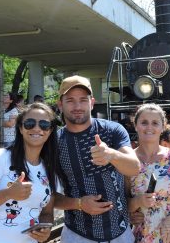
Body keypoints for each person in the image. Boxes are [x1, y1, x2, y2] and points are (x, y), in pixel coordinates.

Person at [54, 75, 140, 242]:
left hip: (120, 233)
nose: (77, 106)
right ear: (60, 105)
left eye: (83, 100)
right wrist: (79, 204)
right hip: (77, 234)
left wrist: (112, 155)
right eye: (70, 100)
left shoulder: (113, 130)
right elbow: (48, 196)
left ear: (92, 102)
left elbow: (134, 167)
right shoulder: (54, 143)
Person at [0, 103, 58, 243]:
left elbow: (47, 213)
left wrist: (45, 230)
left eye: (44, 124)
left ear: (50, 130)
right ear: (20, 128)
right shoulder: (0, 157)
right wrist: (7, 194)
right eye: (29, 123)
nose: (37, 128)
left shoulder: (50, 169)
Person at [126, 103, 170, 242]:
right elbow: (124, 202)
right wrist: (137, 202)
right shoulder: (128, 160)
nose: (149, 127)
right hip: (143, 236)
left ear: (163, 127)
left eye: (155, 123)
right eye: (144, 122)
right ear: (136, 125)